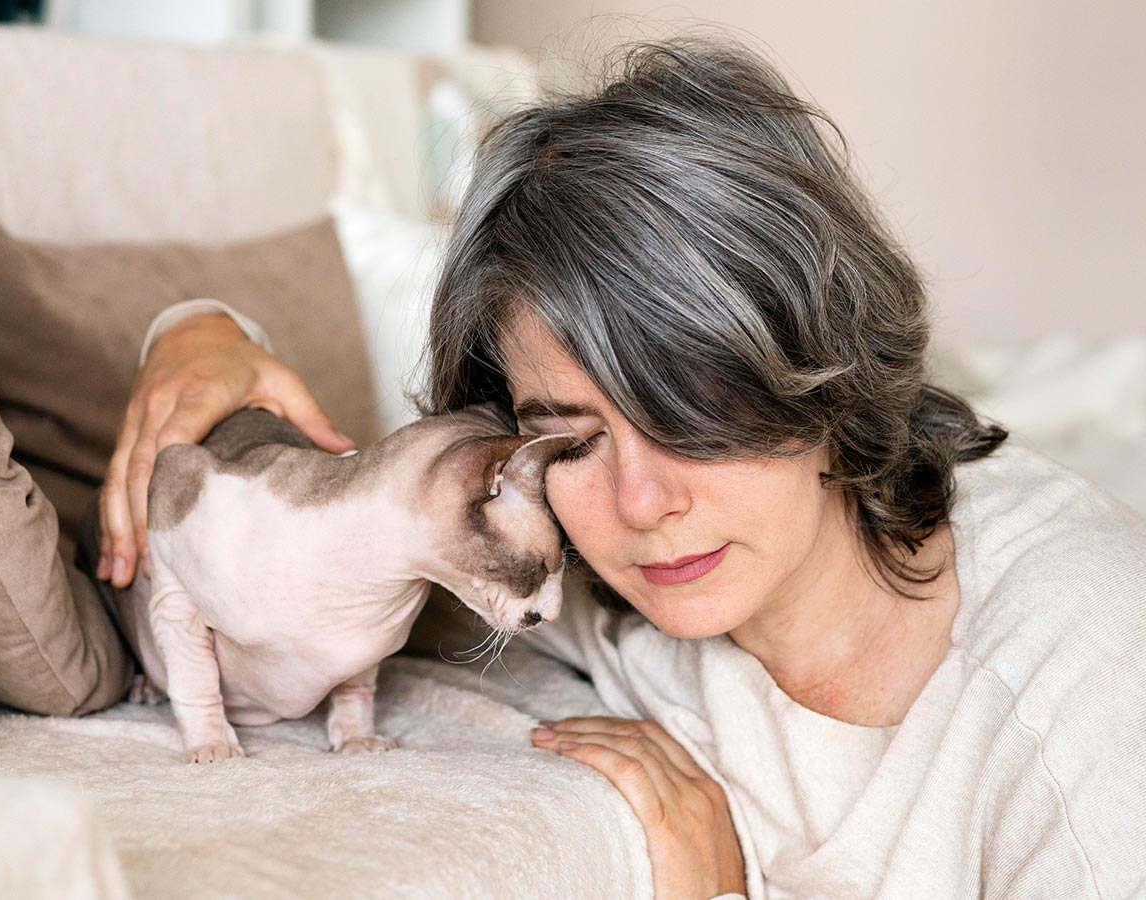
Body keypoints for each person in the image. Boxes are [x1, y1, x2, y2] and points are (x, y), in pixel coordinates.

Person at [100, 38, 1145, 900]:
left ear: (824, 366)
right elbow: (366, 492)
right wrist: (196, 336)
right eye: (575, 439)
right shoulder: (583, 584)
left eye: (692, 410)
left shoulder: (1082, 682)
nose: (643, 506)